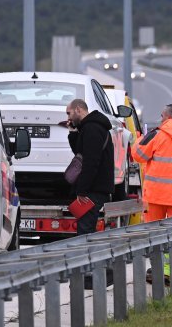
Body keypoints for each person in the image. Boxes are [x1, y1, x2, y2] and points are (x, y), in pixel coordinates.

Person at [66, 98, 114, 289]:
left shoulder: (93, 129)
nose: (68, 117)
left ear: (79, 110)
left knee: (85, 231)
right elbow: (79, 153)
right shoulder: (87, 128)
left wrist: (82, 190)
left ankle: (95, 274)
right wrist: (72, 133)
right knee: (86, 229)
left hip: (93, 189)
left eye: (69, 113)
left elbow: (90, 162)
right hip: (94, 188)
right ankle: (96, 274)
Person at [131, 104, 172, 221]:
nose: (161, 119)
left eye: (161, 116)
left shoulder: (157, 134)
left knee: (153, 234)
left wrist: (141, 138)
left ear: (167, 117)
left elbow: (138, 155)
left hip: (155, 195)